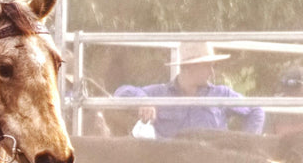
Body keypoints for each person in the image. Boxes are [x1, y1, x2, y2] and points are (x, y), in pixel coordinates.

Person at [113, 40, 265, 139]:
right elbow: (121, 92)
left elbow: (256, 110)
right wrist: (143, 101)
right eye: (207, 66)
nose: (212, 72)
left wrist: (246, 144)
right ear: (189, 67)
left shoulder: (221, 94)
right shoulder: (160, 94)